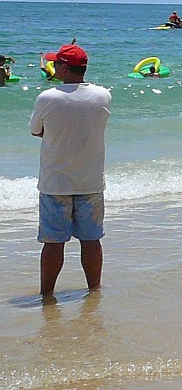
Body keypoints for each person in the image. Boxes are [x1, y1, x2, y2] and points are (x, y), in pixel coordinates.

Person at [29, 44, 111, 297]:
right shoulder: (103, 95)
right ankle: (94, 290)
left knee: (53, 243)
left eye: (56, 64)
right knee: (91, 240)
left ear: (64, 67)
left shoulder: (48, 97)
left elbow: (36, 131)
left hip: (56, 182)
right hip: (91, 180)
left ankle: (47, 295)